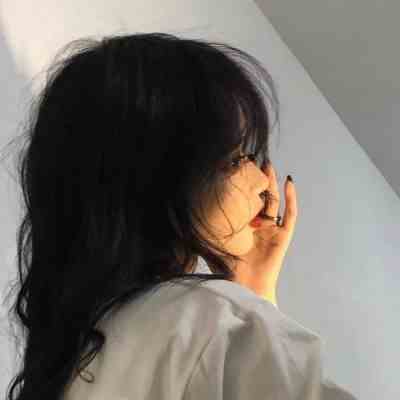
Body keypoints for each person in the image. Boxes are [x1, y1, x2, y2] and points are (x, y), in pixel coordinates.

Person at [1, 32, 357, 399]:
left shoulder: (74, 360)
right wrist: (251, 305)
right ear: (159, 179)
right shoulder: (213, 325)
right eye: (235, 160)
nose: (263, 182)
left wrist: (251, 292)